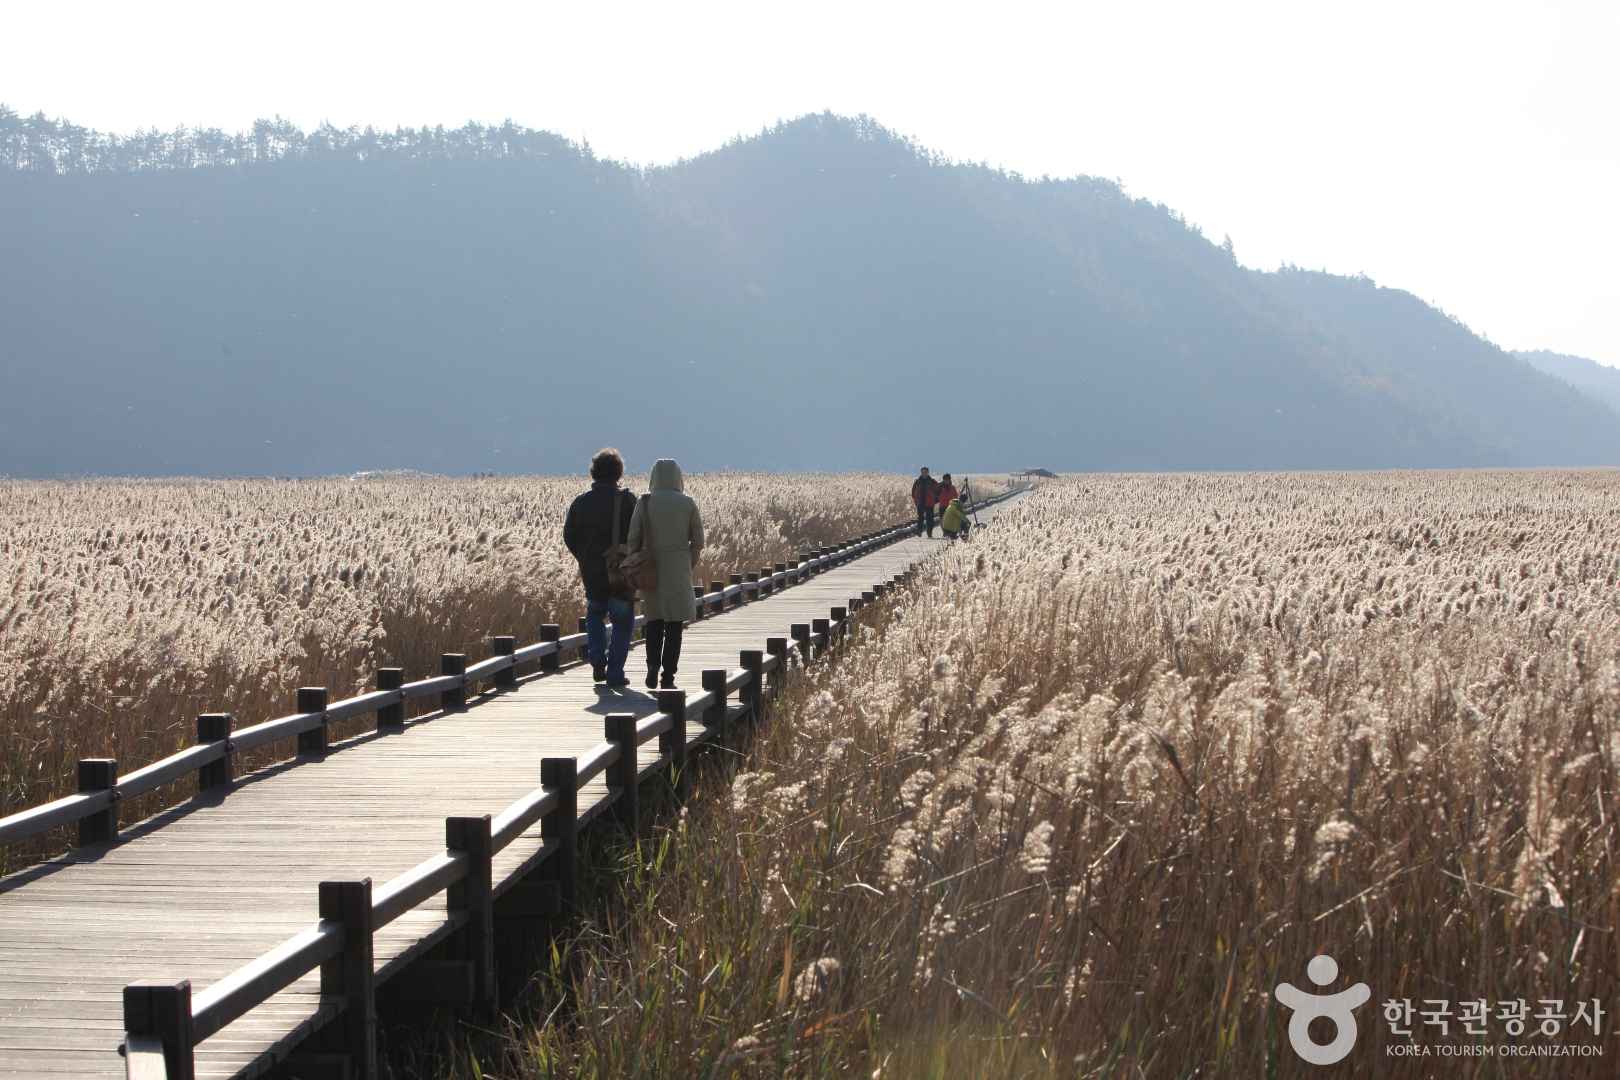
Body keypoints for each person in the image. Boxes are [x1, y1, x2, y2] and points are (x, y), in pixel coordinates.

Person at [563, 448, 637, 687]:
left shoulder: (581, 502)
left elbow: (569, 536)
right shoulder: (627, 501)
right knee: (622, 621)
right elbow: (639, 535)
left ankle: (596, 660)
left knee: (595, 614)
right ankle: (614, 672)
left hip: (592, 573)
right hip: (620, 572)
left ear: (594, 473)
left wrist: (584, 558)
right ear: (618, 473)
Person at [628, 458, 704, 689]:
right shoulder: (688, 503)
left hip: (651, 568)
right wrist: (688, 562)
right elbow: (698, 541)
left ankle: (652, 665)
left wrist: (635, 561)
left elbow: (633, 537)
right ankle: (668, 676)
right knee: (674, 624)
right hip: (678, 567)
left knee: (653, 621)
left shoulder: (645, 501)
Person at [911, 466, 939, 537]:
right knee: (920, 519)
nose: (924, 473)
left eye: (925, 472)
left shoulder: (932, 481)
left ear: (928, 472)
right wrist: (916, 502)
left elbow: (938, 490)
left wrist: (935, 500)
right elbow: (913, 493)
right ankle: (919, 532)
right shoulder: (917, 482)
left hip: (929, 503)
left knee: (930, 519)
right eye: (923, 472)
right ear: (921, 472)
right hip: (920, 503)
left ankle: (929, 533)